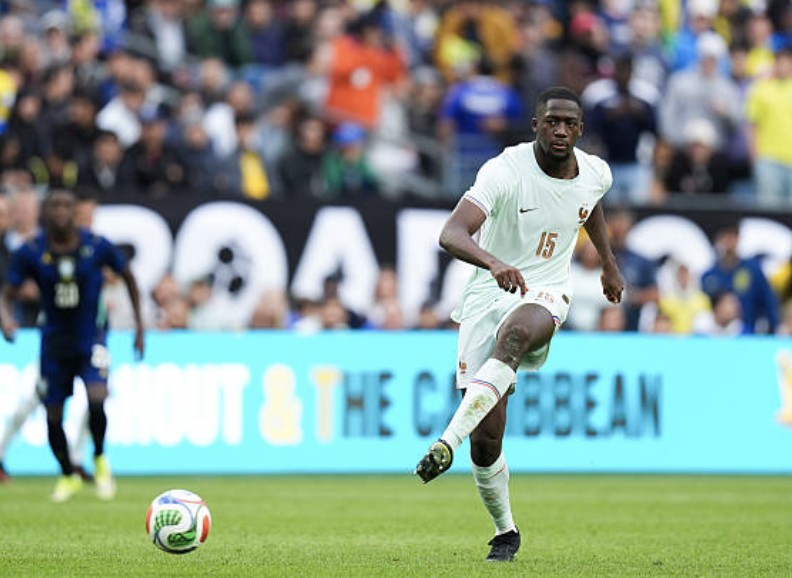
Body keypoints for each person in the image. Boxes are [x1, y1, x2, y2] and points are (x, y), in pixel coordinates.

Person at [414, 87, 624, 562]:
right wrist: (493, 263)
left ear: (580, 129)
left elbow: (588, 205)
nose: (560, 131)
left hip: (546, 290)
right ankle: (505, 530)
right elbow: (451, 233)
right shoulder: (504, 170)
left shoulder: (597, 172)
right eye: (552, 122)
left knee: (516, 335)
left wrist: (608, 264)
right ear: (535, 125)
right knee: (487, 442)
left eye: (569, 123)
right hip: (489, 292)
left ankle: (446, 441)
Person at [0, 188, 145, 502]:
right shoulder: (32, 250)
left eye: (67, 205)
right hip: (53, 343)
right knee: (52, 414)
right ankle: (67, 473)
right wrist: (6, 319)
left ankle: (99, 456)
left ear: (75, 211)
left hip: (91, 337)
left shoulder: (96, 246)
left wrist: (140, 327)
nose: (61, 211)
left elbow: (129, 277)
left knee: (97, 398)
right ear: (46, 212)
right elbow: (7, 292)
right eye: (55, 206)